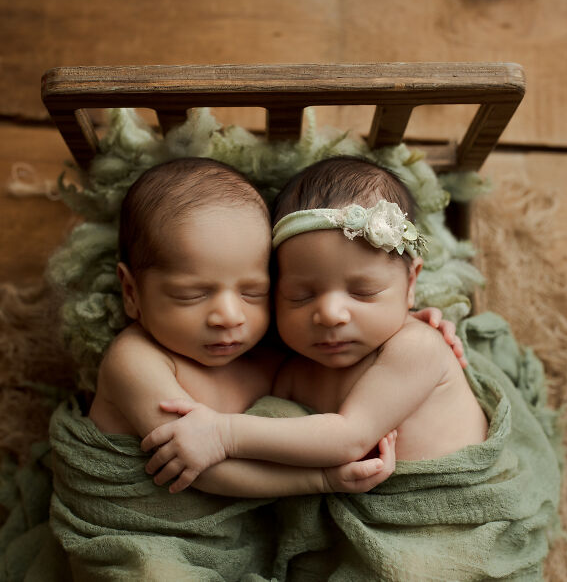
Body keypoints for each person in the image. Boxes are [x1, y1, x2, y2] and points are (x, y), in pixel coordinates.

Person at [143, 156, 488, 492]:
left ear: (411, 285)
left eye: (363, 292)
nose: (331, 315)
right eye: (300, 296)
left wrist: (223, 434)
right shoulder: (293, 371)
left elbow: (349, 437)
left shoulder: (417, 346)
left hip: (445, 504)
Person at [87, 156, 400, 497]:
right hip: (141, 529)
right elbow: (197, 464)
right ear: (131, 293)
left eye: (253, 292)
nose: (229, 316)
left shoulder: (267, 356)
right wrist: (320, 481)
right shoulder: (135, 360)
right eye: (191, 295)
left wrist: (406, 322)